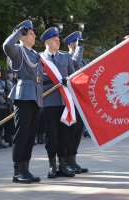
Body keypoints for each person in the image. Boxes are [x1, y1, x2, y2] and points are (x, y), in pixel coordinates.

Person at [3, 20, 43, 184]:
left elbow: (41, 76)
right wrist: (20, 31)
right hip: (23, 95)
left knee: (30, 135)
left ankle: (26, 169)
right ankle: (18, 171)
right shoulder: (18, 50)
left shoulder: (35, 54)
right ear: (23, 35)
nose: (34, 36)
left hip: (36, 96)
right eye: (31, 33)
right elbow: (6, 45)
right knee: (22, 134)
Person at [40, 27, 75, 178]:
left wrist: (68, 80)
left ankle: (63, 165)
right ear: (47, 42)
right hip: (49, 102)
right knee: (51, 135)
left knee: (64, 134)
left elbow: (73, 74)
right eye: (55, 40)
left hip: (64, 101)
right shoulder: (40, 58)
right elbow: (38, 79)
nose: (58, 42)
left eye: (58, 39)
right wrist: (51, 80)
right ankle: (52, 165)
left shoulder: (66, 56)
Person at [63, 31, 88, 173]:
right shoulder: (67, 57)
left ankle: (73, 160)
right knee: (70, 132)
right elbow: (74, 64)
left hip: (80, 99)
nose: (81, 44)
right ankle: (66, 160)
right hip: (70, 100)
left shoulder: (82, 58)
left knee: (78, 131)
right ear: (72, 43)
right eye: (78, 42)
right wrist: (79, 48)